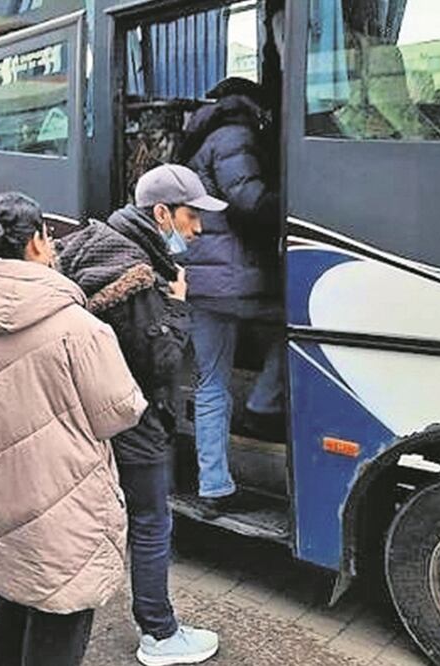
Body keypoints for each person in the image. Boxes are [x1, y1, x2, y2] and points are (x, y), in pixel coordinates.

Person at [0, 192, 147, 666]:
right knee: (61, 613)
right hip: (63, 499)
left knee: (11, 606)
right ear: (39, 241)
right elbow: (117, 412)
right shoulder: (79, 327)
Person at [57, 165, 223, 665]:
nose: (196, 229)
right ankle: (159, 634)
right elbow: (160, 361)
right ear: (161, 214)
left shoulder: (100, 247)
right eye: (191, 217)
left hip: (95, 413)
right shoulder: (136, 275)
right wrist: (177, 305)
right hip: (134, 419)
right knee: (151, 520)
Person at [179, 77, 286, 513]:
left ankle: (214, 487)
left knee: (211, 384)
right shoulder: (235, 135)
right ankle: (262, 405)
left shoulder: (197, 140)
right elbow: (249, 200)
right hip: (237, 281)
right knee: (294, 327)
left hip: (203, 284)